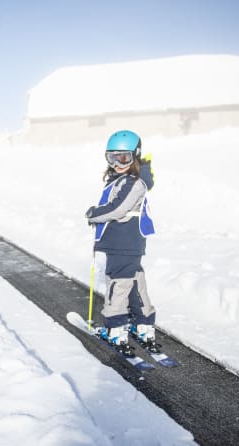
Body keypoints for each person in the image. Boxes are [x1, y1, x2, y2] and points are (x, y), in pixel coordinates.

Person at [85, 130, 158, 353]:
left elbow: (118, 208)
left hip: (123, 240)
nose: (118, 163)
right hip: (128, 241)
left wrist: (93, 214)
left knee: (118, 283)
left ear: (135, 155)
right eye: (112, 157)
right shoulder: (128, 179)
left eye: (124, 158)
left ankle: (116, 329)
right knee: (134, 282)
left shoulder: (133, 182)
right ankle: (144, 325)